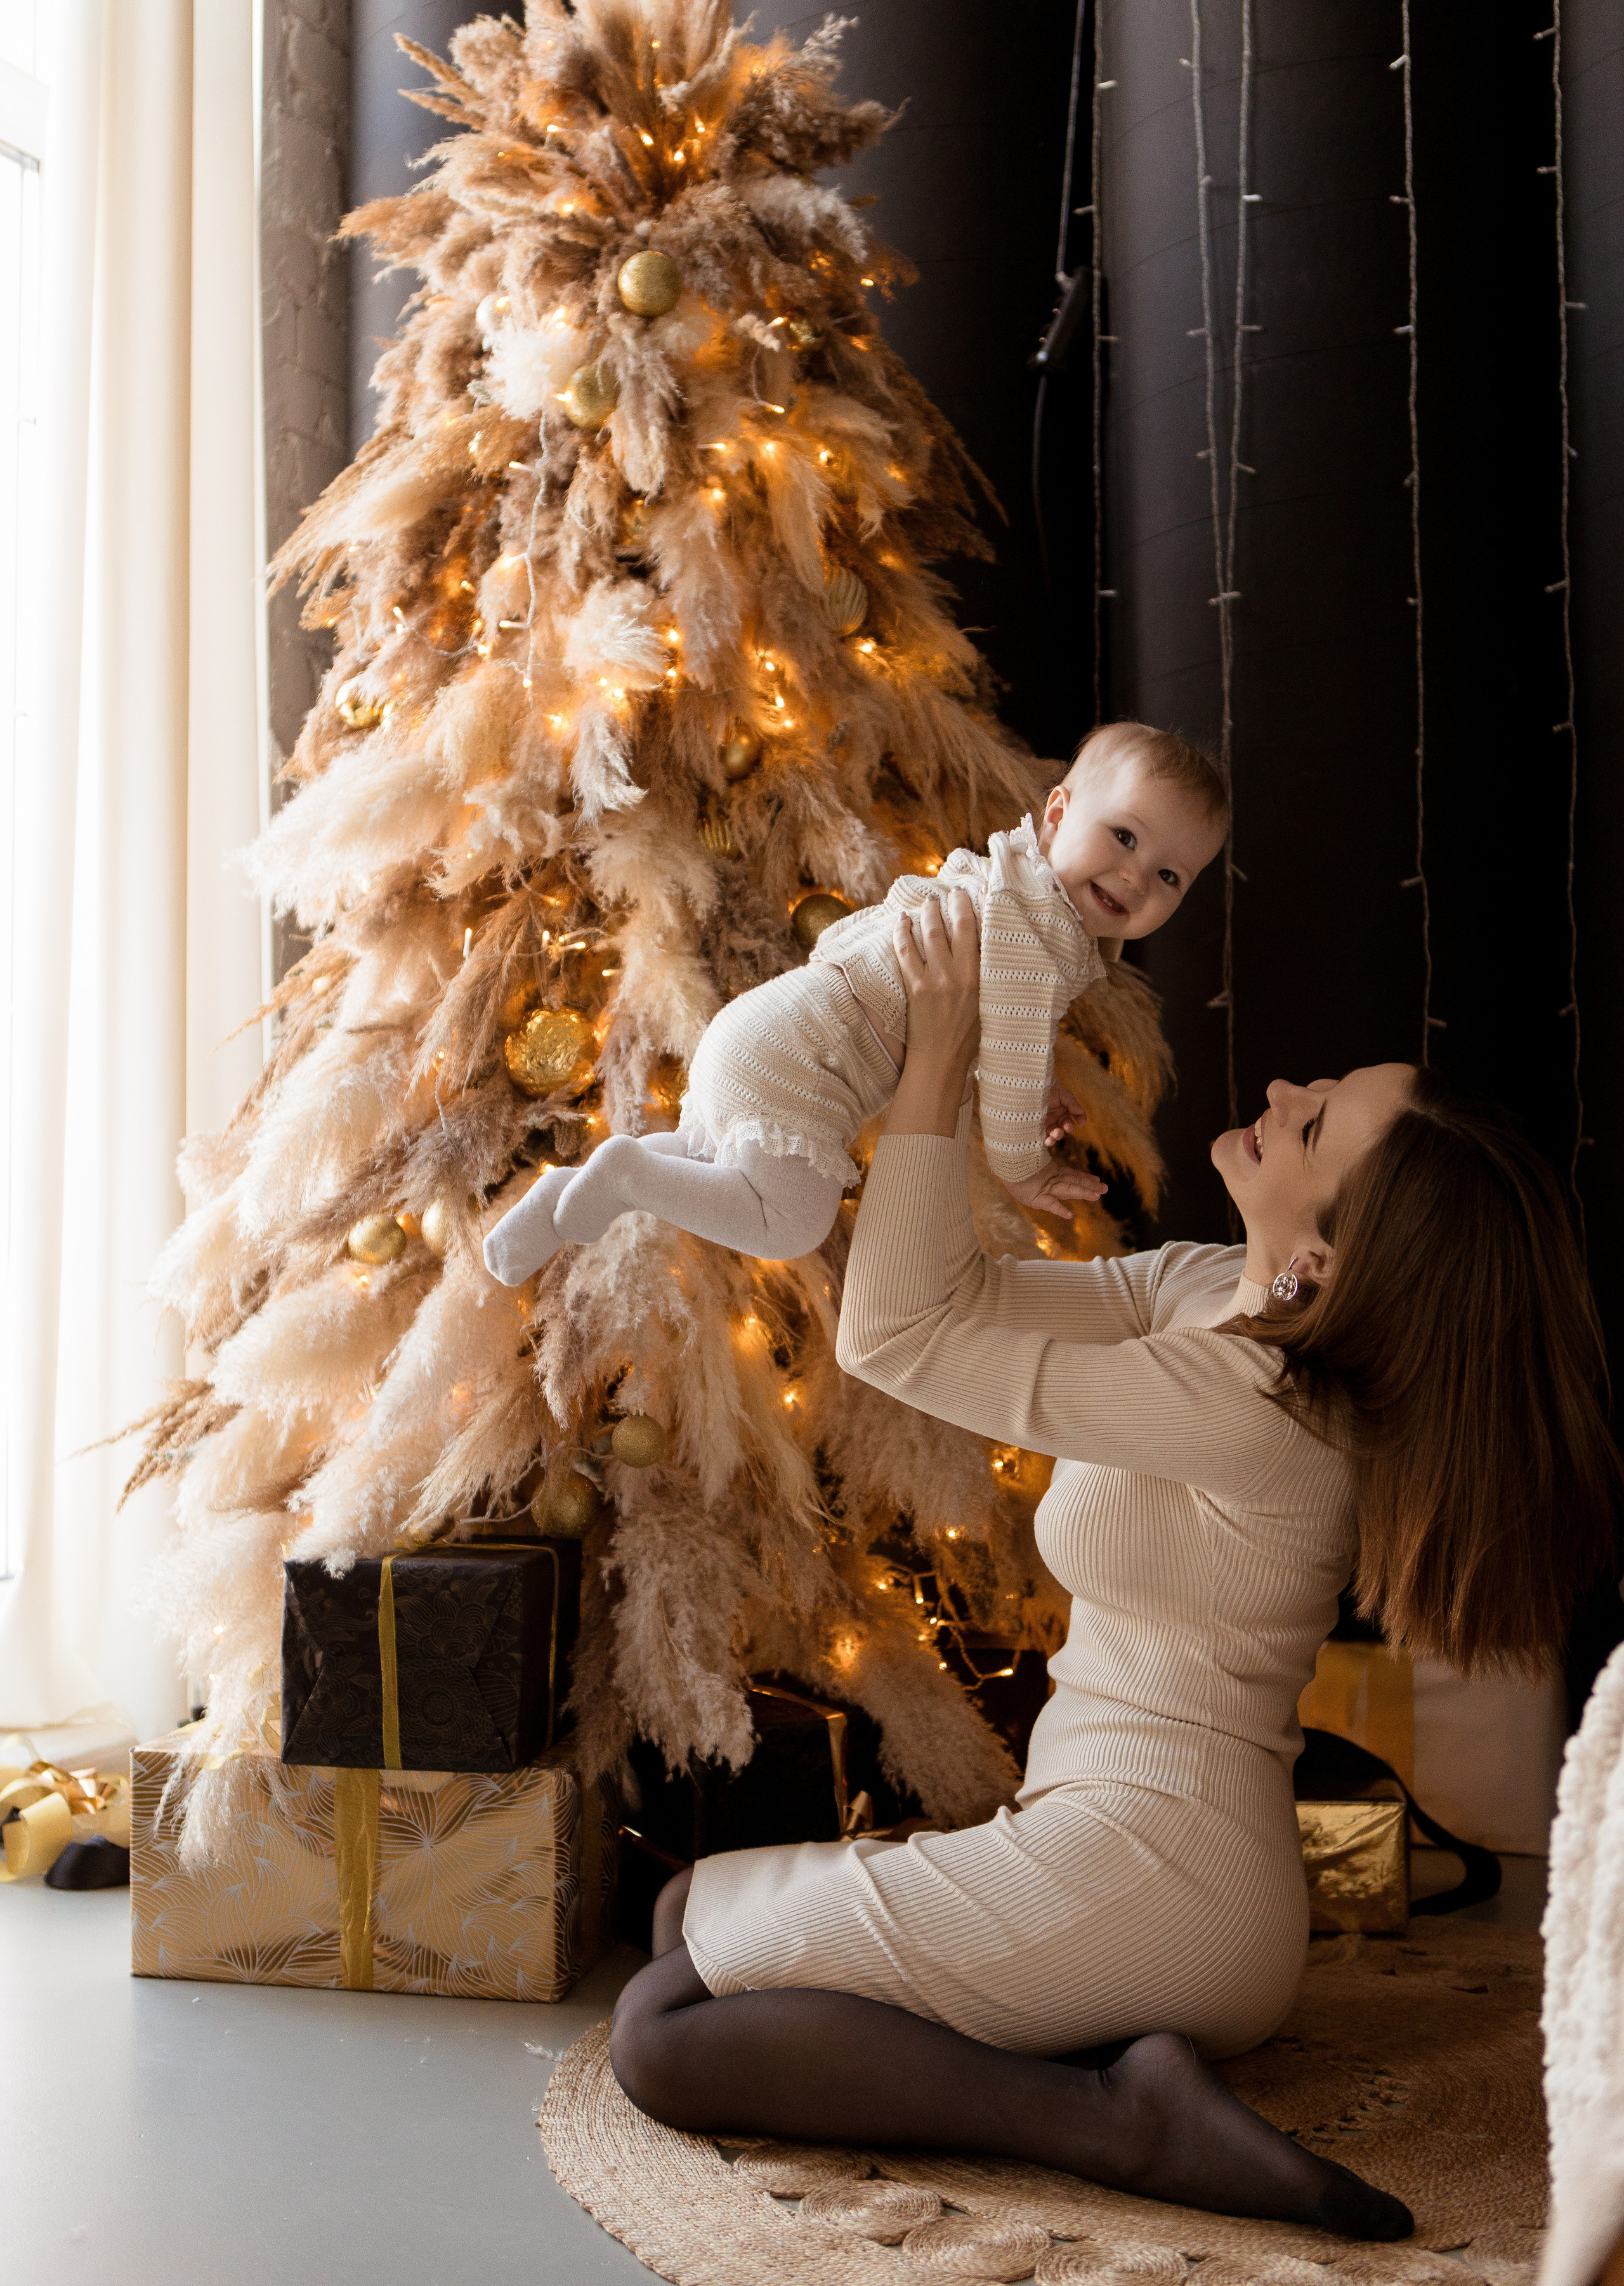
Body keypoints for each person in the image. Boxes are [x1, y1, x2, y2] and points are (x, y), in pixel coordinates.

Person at [607, 887, 1620, 2237]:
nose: (1280, 1085)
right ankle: (1101, 2053)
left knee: (662, 2031)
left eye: (1312, 1119)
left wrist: (936, 1054)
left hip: (1157, 1873)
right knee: (682, 1915)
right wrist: (973, 1126)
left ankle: (1117, 2119)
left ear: (1322, 1258)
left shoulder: (1253, 1404)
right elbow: (938, 1304)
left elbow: (890, 1345)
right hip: (1117, 1842)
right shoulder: (1207, 1293)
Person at [481, 721, 1227, 1281]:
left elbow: (994, 1031)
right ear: (1058, 815)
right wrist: (1025, 1170)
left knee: (707, 1164)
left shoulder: (1013, 894)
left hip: (766, 1035)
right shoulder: (1032, 937)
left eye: (1170, 876)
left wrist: (1043, 1083)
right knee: (787, 1225)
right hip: (798, 1067)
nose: (1136, 877)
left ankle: (557, 1206)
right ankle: (623, 1175)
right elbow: (1006, 1077)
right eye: (1123, 836)